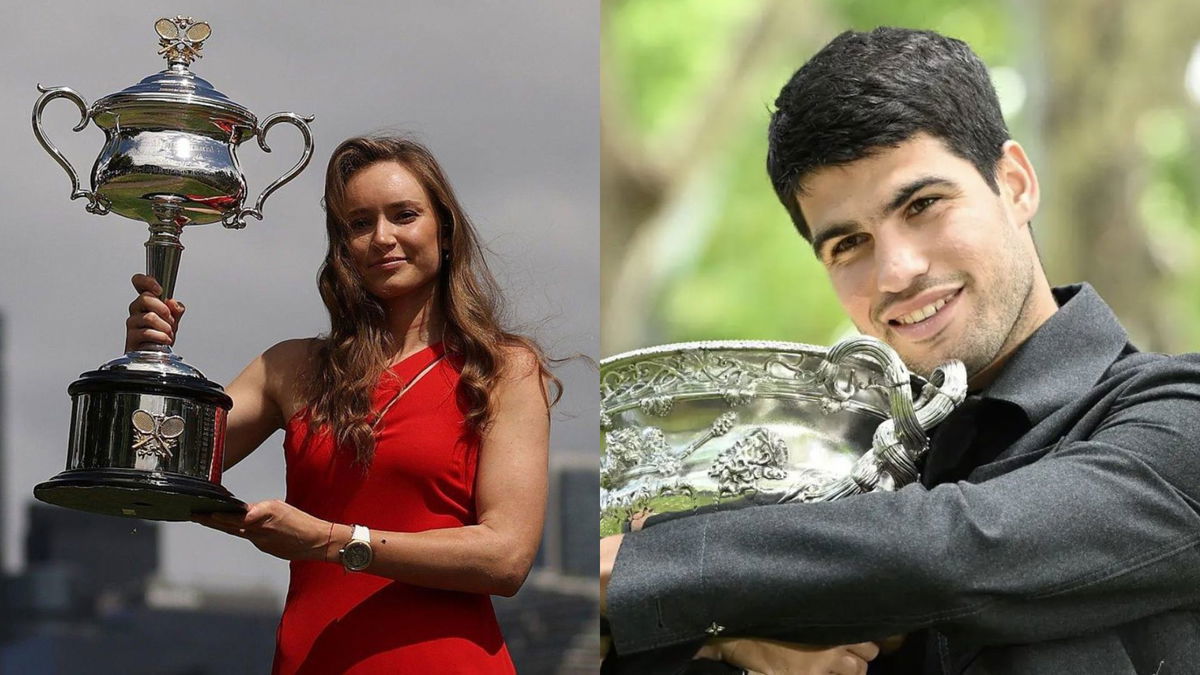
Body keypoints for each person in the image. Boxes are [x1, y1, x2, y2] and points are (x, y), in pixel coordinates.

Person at [600, 27, 1200, 675]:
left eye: (922, 204)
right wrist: (725, 638)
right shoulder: (828, 478)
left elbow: (955, 553)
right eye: (848, 244)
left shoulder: (1178, 417)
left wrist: (658, 569)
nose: (896, 271)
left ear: (1017, 184)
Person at [125, 135, 558, 674]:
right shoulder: (291, 367)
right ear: (341, 246)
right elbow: (151, 463)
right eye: (359, 223)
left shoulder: (504, 370)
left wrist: (330, 541)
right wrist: (148, 363)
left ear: (444, 230)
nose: (383, 238)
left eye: (404, 215)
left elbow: (506, 558)